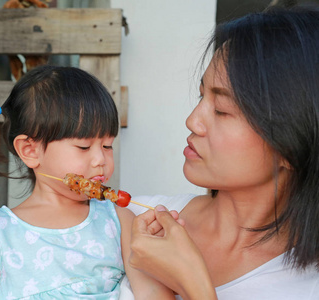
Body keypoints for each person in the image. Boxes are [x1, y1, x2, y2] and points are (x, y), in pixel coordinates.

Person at [126, 5, 319, 300]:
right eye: (202, 95)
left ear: (292, 144)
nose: (192, 120)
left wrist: (195, 284)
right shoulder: (131, 221)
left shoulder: (306, 286)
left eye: (222, 109)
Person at [0, 65, 175, 299]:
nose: (101, 159)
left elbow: (152, 294)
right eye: (84, 147)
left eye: (107, 145)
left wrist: (162, 256)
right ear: (30, 150)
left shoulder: (119, 221)